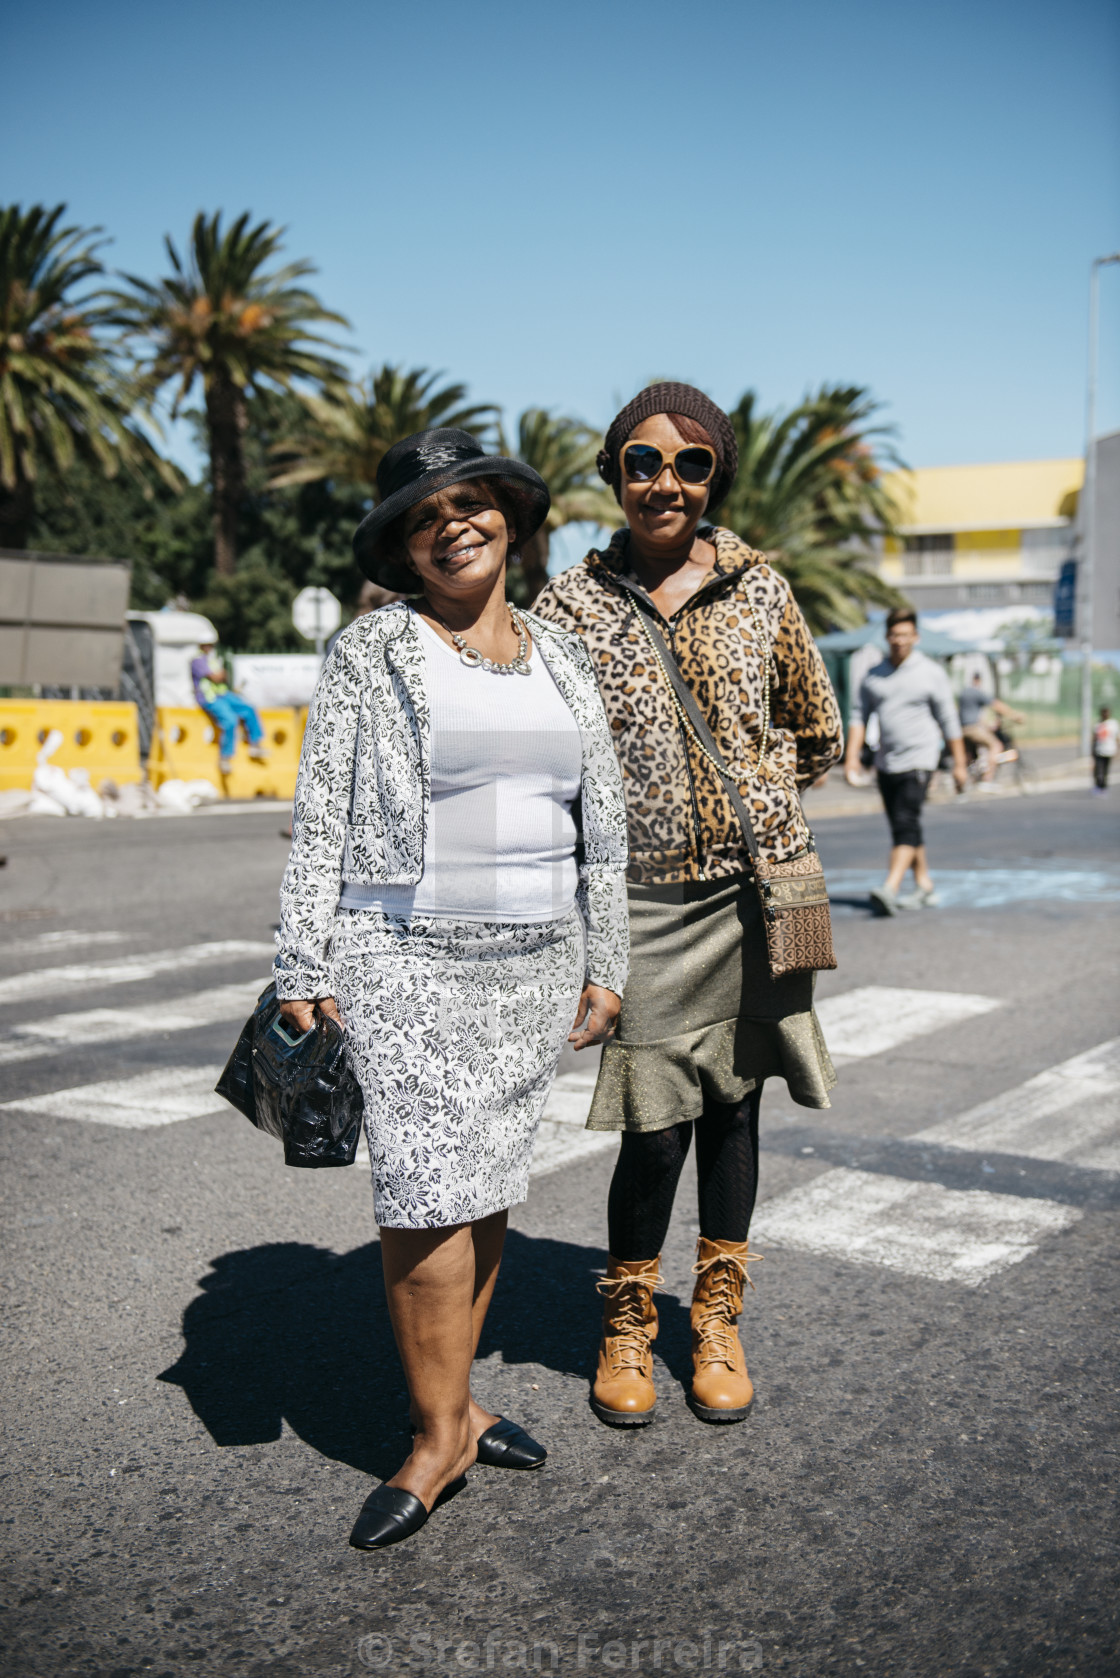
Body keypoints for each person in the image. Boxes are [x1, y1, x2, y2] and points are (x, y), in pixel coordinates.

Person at [274, 429, 629, 1548]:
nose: (452, 524)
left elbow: (603, 828)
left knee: (485, 1188)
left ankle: (464, 1407)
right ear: (404, 542)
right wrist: (301, 961)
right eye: (427, 514)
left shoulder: (564, 656)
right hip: (404, 955)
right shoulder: (370, 651)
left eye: (472, 503)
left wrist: (606, 957)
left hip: (534, 958)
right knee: (425, 1196)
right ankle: (436, 1435)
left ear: (510, 520)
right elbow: (320, 810)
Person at [534, 383, 843, 1428]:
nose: (666, 482)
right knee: (654, 1127)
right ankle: (628, 1319)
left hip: (757, 896)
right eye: (642, 461)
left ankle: (717, 1318)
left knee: (735, 1108)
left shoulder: (763, 591)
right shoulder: (567, 609)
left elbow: (816, 729)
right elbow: (541, 754)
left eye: (691, 463)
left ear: (716, 477)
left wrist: (751, 807)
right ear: (613, 474)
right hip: (644, 904)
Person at [843, 607, 966, 914]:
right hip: (887, 762)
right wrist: (851, 759)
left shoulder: (930, 673)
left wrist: (960, 764)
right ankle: (924, 885)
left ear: (916, 637)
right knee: (903, 827)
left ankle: (891, 887)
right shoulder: (874, 676)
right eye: (895, 635)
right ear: (887, 637)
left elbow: (949, 721)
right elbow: (859, 716)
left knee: (906, 820)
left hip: (921, 760)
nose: (900, 640)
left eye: (906, 635)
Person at [190, 642, 270, 776]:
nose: (209, 648)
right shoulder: (198, 660)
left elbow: (223, 676)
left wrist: (220, 676)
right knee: (230, 721)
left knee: (248, 709)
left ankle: (255, 743)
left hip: (222, 694)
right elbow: (216, 677)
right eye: (207, 645)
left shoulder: (213, 659)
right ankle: (225, 758)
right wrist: (219, 676)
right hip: (209, 697)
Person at [958, 672, 1023, 781]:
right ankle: (988, 778)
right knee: (996, 746)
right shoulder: (977, 692)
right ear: (978, 681)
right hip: (973, 728)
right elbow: (996, 705)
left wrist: (988, 725)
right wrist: (1013, 715)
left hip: (962, 728)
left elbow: (971, 714)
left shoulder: (963, 693)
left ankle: (973, 774)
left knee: (973, 752)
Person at [1093, 705, 1118, 792]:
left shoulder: (1113, 724)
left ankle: (1104, 786)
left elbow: (1116, 737)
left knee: (1106, 769)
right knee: (1098, 769)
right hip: (1099, 750)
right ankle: (1098, 785)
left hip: (1109, 750)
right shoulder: (1098, 724)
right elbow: (1094, 737)